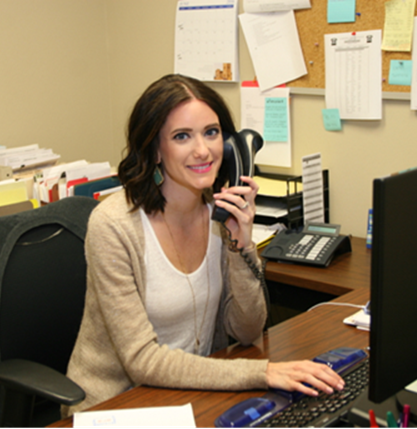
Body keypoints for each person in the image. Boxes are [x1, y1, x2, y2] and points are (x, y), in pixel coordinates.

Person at [63, 74, 344, 416]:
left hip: (192, 395)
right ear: (154, 149)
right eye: (182, 136)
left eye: (211, 133)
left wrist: (242, 245)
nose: (202, 150)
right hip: (118, 404)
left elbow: (247, 329)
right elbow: (141, 361)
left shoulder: (219, 212)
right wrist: (262, 372)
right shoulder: (114, 225)